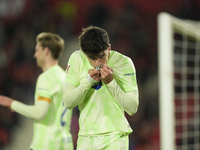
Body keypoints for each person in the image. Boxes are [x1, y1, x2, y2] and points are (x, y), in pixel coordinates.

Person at [63, 26, 139, 150]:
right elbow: (68, 102)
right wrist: (88, 81)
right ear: (84, 53)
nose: (98, 63)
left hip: (115, 135)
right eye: (92, 58)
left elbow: (132, 108)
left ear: (109, 48)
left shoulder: (124, 62)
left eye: (102, 56)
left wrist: (111, 83)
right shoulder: (76, 59)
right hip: (86, 137)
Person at [0, 32, 74, 150]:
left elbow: (40, 112)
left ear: (46, 52)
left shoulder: (47, 77)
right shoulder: (64, 77)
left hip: (46, 144)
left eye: (37, 50)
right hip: (64, 143)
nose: (35, 55)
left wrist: (12, 104)